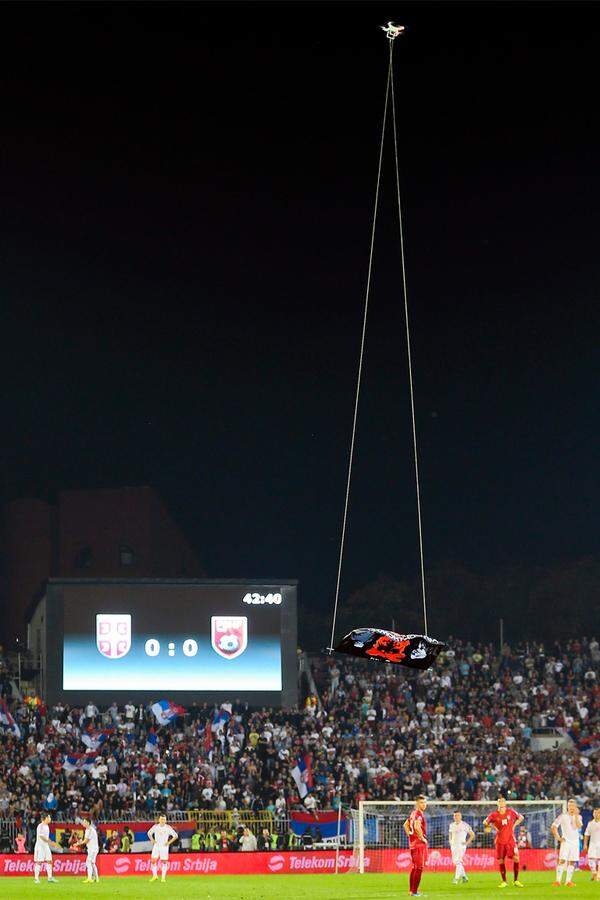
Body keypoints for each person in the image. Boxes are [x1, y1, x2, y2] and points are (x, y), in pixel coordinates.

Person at [483, 797, 525, 888]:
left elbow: (521, 817)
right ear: (497, 804)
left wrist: (514, 825)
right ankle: (504, 881)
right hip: (500, 841)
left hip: (510, 840)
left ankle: (516, 880)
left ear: (505, 804)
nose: (501, 805)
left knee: (516, 858)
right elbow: (485, 821)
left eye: (503, 803)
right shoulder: (493, 815)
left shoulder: (511, 812)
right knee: (501, 860)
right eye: (500, 803)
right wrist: (487, 825)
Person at [551, 798, 583, 887]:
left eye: (573, 806)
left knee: (572, 861)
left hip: (575, 842)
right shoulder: (562, 816)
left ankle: (568, 881)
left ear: (575, 806)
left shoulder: (579, 817)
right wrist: (558, 837)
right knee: (562, 860)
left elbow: (578, 826)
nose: (571, 807)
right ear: (567, 807)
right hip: (566, 841)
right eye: (570, 806)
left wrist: (576, 815)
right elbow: (553, 826)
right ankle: (558, 881)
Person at [404, 795, 428, 897]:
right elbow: (417, 826)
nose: (424, 804)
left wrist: (410, 835)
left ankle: (411, 891)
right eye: (422, 802)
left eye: (425, 802)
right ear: (417, 803)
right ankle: (414, 892)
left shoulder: (413, 813)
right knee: (419, 868)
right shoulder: (418, 814)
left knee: (415, 868)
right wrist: (422, 838)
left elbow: (405, 824)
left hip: (413, 843)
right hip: (418, 844)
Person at [148, 814, 178, 883]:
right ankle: (155, 876)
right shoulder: (155, 827)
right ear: (159, 820)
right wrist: (152, 840)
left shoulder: (168, 827)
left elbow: (175, 836)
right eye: (161, 819)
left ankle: (163, 878)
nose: (163, 821)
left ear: (166, 820)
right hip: (156, 846)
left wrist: (168, 842)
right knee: (153, 861)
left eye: (164, 819)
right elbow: (149, 833)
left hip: (164, 847)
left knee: (164, 862)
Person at [33, 813, 60, 884]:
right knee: (39, 862)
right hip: (40, 846)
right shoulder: (40, 826)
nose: (50, 819)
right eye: (49, 817)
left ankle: (50, 877)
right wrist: (50, 842)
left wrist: (50, 842)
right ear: (45, 818)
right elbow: (41, 837)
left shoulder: (47, 826)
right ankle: (36, 878)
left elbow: (46, 837)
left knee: (49, 860)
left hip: (45, 846)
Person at [449, 811, 474, 884]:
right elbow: (450, 834)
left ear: (461, 816)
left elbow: (472, 835)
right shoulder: (451, 825)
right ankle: (464, 877)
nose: (456, 817)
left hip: (461, 846)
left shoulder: (465, 825)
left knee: (459, 861)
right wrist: (450, 841)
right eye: (455, 816)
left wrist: (466, 843)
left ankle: (456, 879)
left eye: (457, 815)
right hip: (453, 846)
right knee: (456, 862)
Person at [80, 814, 100, 884]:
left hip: (93, 849)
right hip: (91, 849)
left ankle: (89, 878)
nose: (83, 823)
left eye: (84, 822)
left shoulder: (91, 830)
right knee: (92, 863)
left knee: (88, 862)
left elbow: (86, 841)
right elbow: (85, 840)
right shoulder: (87, 830)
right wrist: (81, 842)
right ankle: (96, 878)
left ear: (88, 823)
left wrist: (78, 843)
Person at [583, 807, 600, 882]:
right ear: (593, 814)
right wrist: (585, 844)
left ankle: (598, 875)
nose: (596, 814)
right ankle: (594, 872)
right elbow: (586, 834)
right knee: (591, 859)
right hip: (592, 844)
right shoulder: (590, 823)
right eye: (594, 813)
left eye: (598, 813)